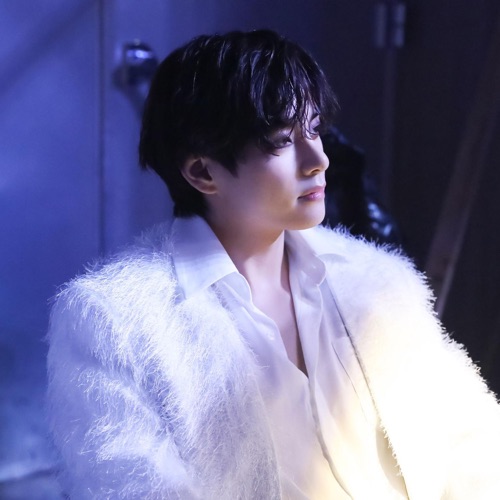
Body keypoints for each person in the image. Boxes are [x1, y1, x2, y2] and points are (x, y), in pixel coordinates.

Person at [46, 30, 500, 499]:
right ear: (202, 172)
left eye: (315, 129)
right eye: (282, 141)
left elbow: (472, 441)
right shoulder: (113, 322)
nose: (318, 160)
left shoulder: (378, 279)